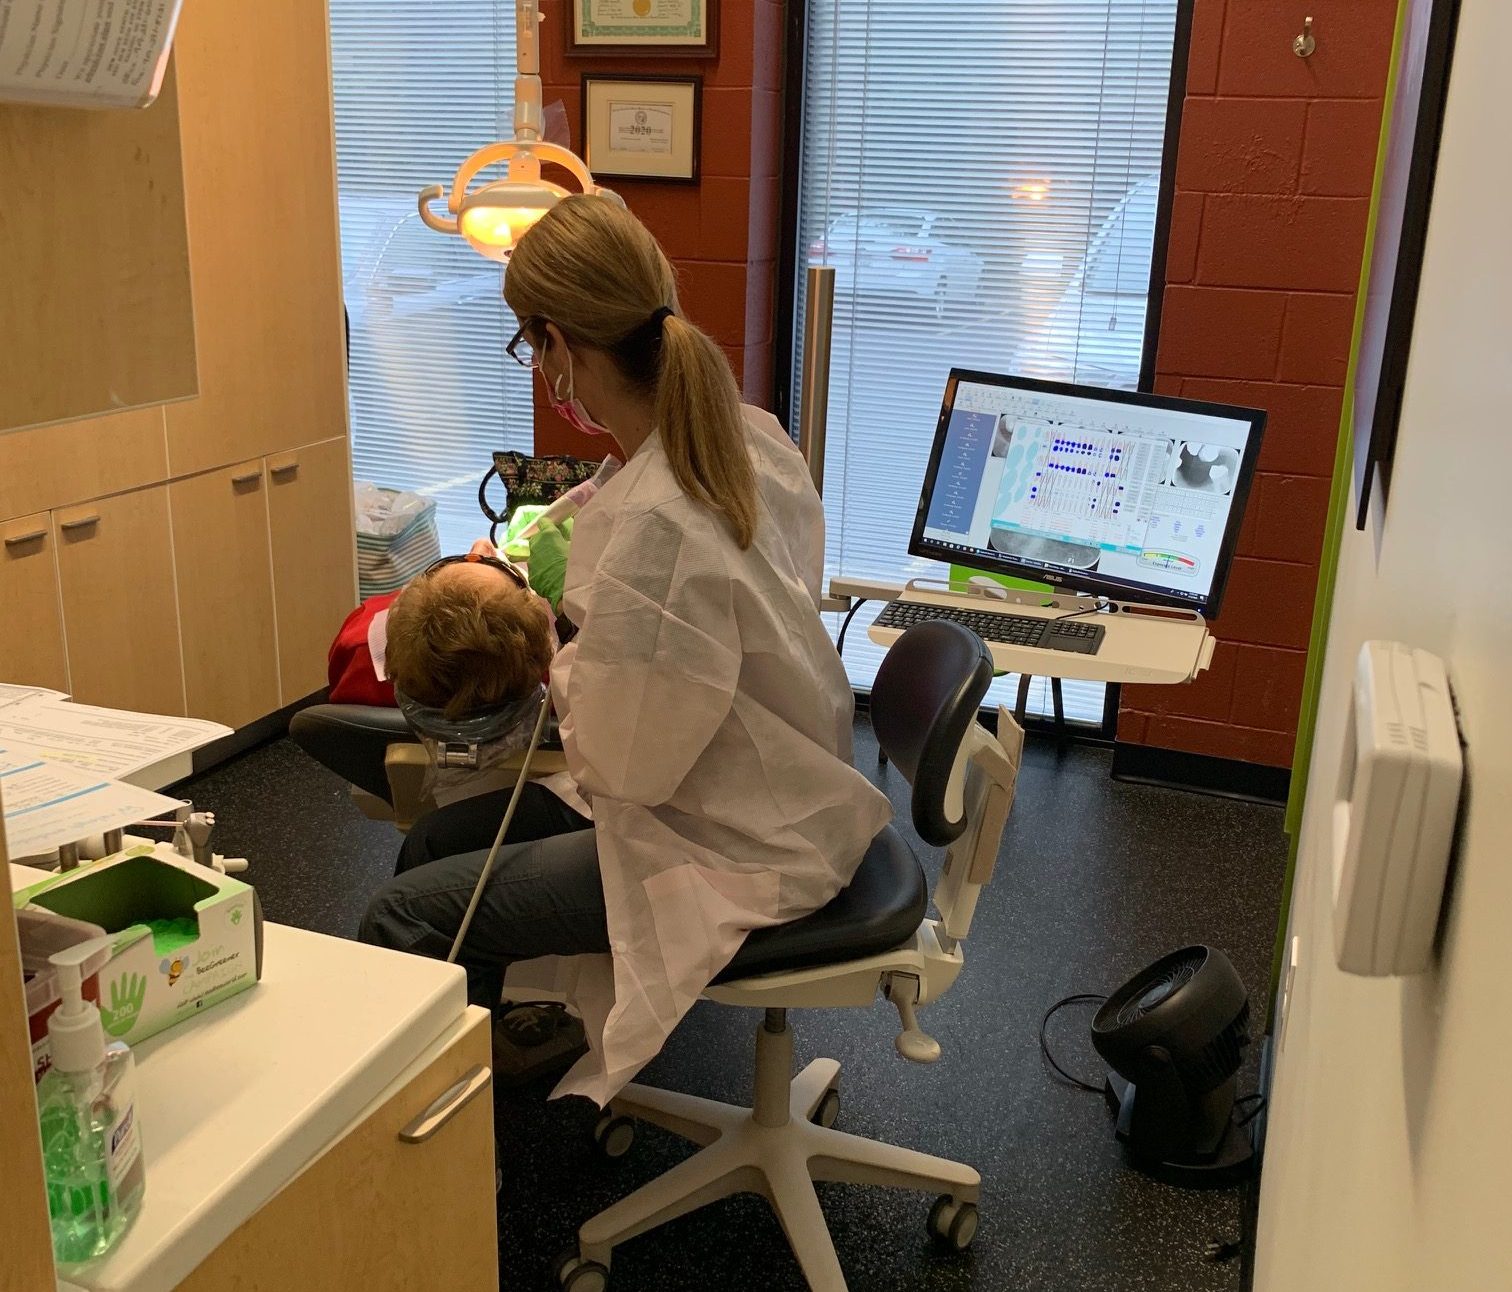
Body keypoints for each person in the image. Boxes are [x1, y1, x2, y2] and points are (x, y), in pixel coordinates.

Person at [359, 194, 893, 1107]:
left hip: (729, 841)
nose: (537, 370)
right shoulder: (745, 434)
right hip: (783, 788)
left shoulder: (660, 524)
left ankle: (424, 1176)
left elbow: (624, 767)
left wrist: (562, 645)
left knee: (401, 912)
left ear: (559, 345)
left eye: (531, 349)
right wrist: (592, 585)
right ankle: (483, 1066)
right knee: (442, 840)